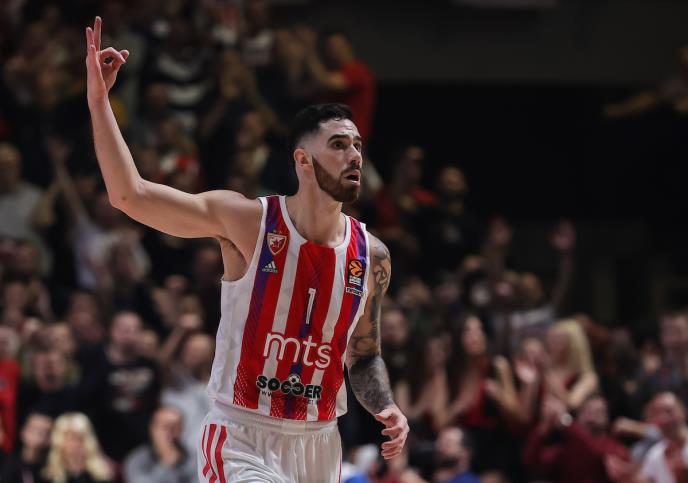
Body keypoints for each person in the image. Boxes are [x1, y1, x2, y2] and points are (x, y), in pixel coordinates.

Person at [85, 16, 408, 483]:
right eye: (338, 145)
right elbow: (129, 195)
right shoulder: (248, 221)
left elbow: (364, 353)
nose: (354, 155)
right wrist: (100, 102)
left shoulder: (372, 256)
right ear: (302, 160)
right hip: (242, 436)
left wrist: (385, 404)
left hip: (319, 443)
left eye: (356, 145)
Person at [123, 406, 196, 483]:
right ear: (152, 429)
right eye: (164, 425)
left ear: (182, 429)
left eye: (174, 425)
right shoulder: (136, 460)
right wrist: (167, 459)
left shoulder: (196, 458)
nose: (169, 430)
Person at [41, 412, 113, 483]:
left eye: (79, 438)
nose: (74, 444)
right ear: (59, 440)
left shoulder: (102, 475)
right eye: (69, 438)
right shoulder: (47, 475)